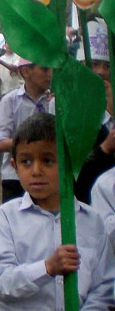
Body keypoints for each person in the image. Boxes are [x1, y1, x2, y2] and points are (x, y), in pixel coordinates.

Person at [0, 113, 115, 309]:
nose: (36, 171)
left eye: (48, 161)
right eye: (26, 162)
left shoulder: (93, 222)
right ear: (14, 166)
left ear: (69, 163)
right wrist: (47, 268)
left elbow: (103, 289)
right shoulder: (6, 218)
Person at [0, 58, 52, 203]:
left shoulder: (55, 101)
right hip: (15, 178)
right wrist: (34, 145)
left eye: (51, 69)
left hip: (48, 177)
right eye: (44, 69)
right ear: (26, 72)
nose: (50, 74)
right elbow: (0, 142)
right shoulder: (10, 101)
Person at [74, 18, 115, 203]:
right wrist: (104, 148)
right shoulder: (66, 106)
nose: (100, 72)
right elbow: (71, 170)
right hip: (83, 203)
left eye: (106, 66)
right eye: (94, 64)